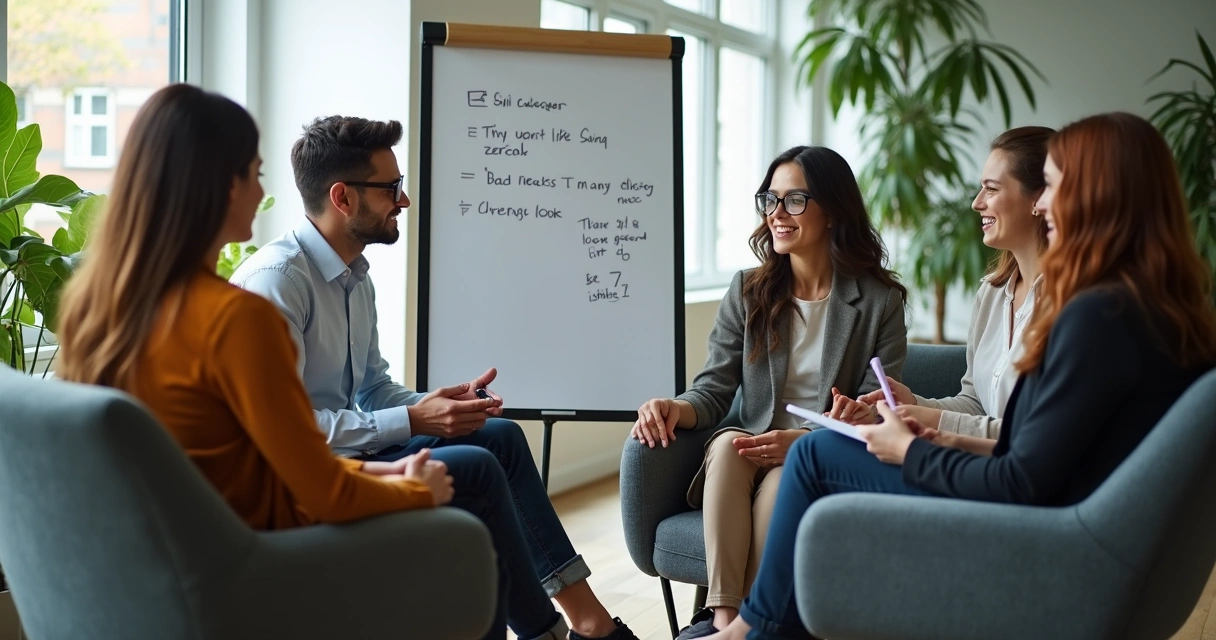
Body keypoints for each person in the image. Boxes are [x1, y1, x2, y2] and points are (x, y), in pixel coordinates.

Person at [53, 85, 568, 640]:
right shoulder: (244, 310)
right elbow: (311, 485)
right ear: (220, 188)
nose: (262, 192)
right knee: (469, 523)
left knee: (489, 448)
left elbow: (255, 459)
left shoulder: (94, 311)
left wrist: (402, 447)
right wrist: (414, 488)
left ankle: (557, 630)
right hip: (253, 556)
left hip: (174, 556)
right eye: (254, 173)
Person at [703, 112, 1216, 640]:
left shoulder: (1094, 314)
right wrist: (937, 432)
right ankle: (745, 625)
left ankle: (749, 630)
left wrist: (911, 450)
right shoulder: (1155, 311)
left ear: (1099, 196)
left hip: (1047, 533)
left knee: (812, 456)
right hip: (1074, 520)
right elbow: (1042, 447)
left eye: (1053, 187)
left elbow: (1023, 477)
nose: (1042, 203)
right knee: (805, 454)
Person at [230, 115, 636, 640]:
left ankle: (588, 621)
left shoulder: (355, 276)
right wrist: (416, 419)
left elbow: (372, 387)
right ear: (342, 198)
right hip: (310, 466)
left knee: (501, 436)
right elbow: (289, 431)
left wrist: (438, 403)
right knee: (475, 465)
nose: (403, 200)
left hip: (350, 447)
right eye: (391, 188)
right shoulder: (278, 283)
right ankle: (548, 633)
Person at [630, 146, 908, 638]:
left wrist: (804, 441)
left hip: (813, 450)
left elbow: (877, 410)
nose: (777, 214)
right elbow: (713, 391)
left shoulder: (879, 301)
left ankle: (753, 624)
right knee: (728, 445)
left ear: (833, 210)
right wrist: (674, 407)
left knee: (784, 479)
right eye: (770, 200)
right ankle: (723, 619)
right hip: (749, 438)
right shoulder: (747, 290)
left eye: (794, 200)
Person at [836, 127, 1055, 442]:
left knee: (814, 454)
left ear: (1039, 198)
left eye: (991, 189)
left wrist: (927, 418)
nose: (977, 203)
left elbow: (1037, 436)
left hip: (1002, 473)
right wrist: (910, 404)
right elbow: (975, 404)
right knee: (822, 446)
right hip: (965, 456)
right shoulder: (991, 294)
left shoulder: (1072, 302)